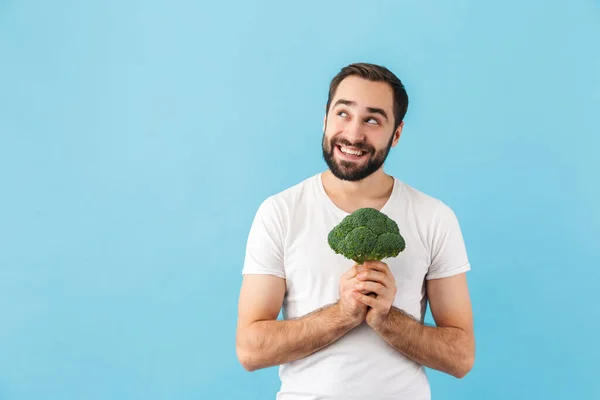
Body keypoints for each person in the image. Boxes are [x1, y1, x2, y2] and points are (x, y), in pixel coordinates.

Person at [235, 62, 475, 399]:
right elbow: (250, 350)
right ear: (325, 118)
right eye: (343, 113)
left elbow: (461, 357)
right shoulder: (280, 212)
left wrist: (387, 318)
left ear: (397, 133)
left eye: (373, 120)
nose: (353, 134)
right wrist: (341, 314)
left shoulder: (434, 217)